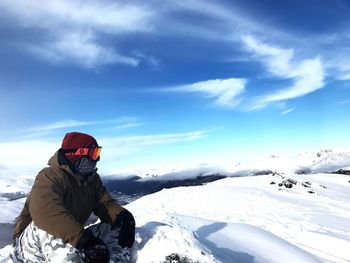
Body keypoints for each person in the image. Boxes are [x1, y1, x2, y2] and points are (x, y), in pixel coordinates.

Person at [11, 132, 135, 263]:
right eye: (94, 153)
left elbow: (105, 204)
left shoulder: (91, 179)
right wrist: (84, 240)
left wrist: (123, 216)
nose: (97, 159)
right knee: (48, 226)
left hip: (68, 236)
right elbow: (46, 212)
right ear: (77, 154)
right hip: (28, 247)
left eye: (98, 153)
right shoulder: (49, 176)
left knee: (118, 229)